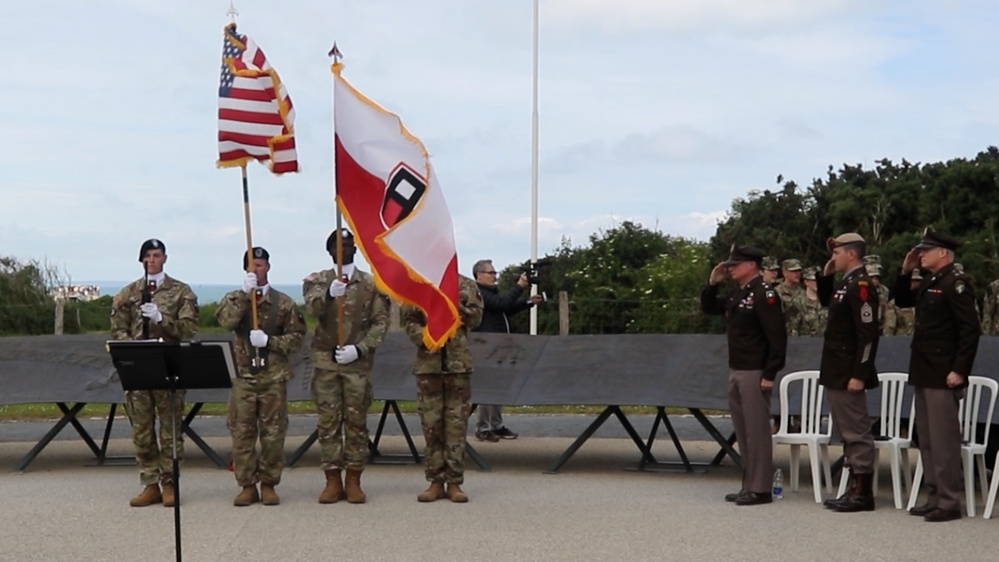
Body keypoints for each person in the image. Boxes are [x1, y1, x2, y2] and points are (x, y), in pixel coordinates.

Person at [894, 230, 980, 522]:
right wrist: (905, 271)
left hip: (944, 373)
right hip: (924, 370)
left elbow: (969, 331)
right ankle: (935, 496)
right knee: (927, 438)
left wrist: (960, 370)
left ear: (943, 253)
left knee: (944, 440)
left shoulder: (956, 284)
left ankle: (949, 501)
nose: (921, 255)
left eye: (926, 251)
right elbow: (903, 299)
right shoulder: (931, 281)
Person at [110, 238, 199, 507]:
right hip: (139, 367)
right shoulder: (128, 293)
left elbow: (189, 328)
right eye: (147, 255)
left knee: (170, 428)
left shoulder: (181, 292)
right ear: (141, 260)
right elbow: (117, 329)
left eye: (156, 255)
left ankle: (170, 482)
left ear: (164, 258)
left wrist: (162, 319)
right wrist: (133, 345)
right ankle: (150, 483)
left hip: (169, 366)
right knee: (142, 429)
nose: (152, 260)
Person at [304, 229, 391, 504]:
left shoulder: (370, 283)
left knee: (356, 423)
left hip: (357, 365)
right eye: (338, 245)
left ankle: (354, 479)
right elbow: (312, 310)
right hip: (326, 364)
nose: (344, 249)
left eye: (349, 244)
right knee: (328, 424)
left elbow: (380, 322)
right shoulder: (318, 281)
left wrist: (360, 348)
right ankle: (332, 479)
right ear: (329, 250)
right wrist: (329, 294)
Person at [216, 247, 306, 506]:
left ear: (269, 267)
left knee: (273, 434)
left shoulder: (284, 303)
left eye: (262, 265)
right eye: (253, 266)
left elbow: (297, 338)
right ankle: (247, 485)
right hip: (244, 378)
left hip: (272, 377)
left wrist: (271, 341)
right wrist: (245, 296)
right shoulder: (235, 298)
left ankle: (269, 483)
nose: (258, 270)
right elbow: (227, 322)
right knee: (242, 433)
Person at [701, 245, 786, 506]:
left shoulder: (765, 294)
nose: (730, 268)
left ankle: (760, 488)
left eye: (735, 264)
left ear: (751, 265)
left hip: (755, 370)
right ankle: (749, 483)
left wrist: (770, 372)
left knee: (757, 430)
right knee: (743, 429)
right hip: (738, 367)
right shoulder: (740, 292)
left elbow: (777, 337)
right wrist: (712, 284)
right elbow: (709, 308)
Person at [403, 274, 483, 503]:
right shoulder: (419, 284)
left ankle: (455, 482)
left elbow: (476, 319)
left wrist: (457, 307)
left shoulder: (466, 285)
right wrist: (429, 337)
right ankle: (435, 481)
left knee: (456, 427)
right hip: (429, 366)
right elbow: (409, 321)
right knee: (432, 426)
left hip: (457, 367)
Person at [816, 233, 880, 512]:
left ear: (851, 254)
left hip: (849, 370)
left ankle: (863, 492)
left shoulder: (862, 285)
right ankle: (853, 487)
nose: (834, 257)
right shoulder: (846, 283)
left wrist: (859, 374)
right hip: (836, 368)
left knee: (856, 431)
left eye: (837, 253)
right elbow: (826, 303)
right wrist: (825, 276)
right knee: (846, 431)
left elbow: (868, 335)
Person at [471, 259, 542, 442]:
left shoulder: (490, 294)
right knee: (487, 388)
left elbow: (503, 310)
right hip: (485, 346)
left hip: (497, 347)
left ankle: (496, 425)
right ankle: (483, 427)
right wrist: (519, 286)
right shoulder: (478, 293)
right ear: (479, 275)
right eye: (491, 273)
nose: (495, 276)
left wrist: (527, 302)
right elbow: (501, 304)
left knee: (497, 387)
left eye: (495, 273)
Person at [789, 267, 827, 337]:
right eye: (815, 280)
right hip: (806, 344)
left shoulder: (826, 300)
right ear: (806, 282)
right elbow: (792, 329)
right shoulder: (797, 301)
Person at [883, 269, 921, 336]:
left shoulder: (922, 300)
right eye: (912, 281)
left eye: (917, 281)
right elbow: (890, 327)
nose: (914, 283)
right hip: (901, 341)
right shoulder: (894, 303)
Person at [777, 258, 804, 334]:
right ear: (785, 273)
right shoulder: (777, 292)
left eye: (799, 271)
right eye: (794, 271)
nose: (797, 274)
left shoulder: (803, 292)